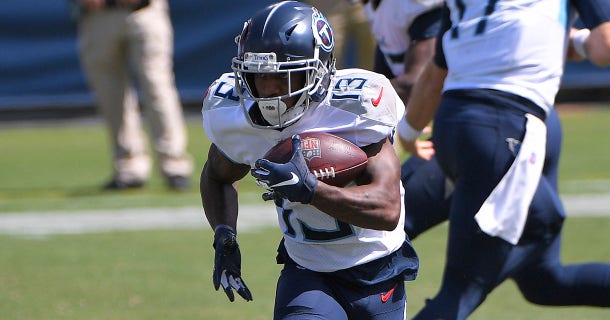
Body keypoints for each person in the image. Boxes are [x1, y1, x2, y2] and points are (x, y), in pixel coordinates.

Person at [395, 0, 610, 318]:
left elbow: (437, 71)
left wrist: (409, 134)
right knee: (463, 288)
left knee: (543, 279)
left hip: (460, 124)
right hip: (506, 127)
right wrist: (579, 39)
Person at [199, 2, 418, 319]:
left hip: (378, 271)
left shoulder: (355, 108)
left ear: (317, 71)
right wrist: (224, 235)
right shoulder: (237, 117)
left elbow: (386, 209)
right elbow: (216, 176)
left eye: (284, 78)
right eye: (260, 77)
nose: (270, 92)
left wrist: (312, 190)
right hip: (307, 271)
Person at [71, 0, 193, 190]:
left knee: (157, 87)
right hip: (97, 15)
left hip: (144, 10)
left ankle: (174, 164)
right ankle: (130, 167)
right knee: (110, 93)